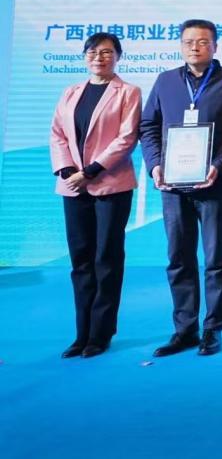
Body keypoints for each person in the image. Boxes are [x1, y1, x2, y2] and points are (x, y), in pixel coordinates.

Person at [139, 19, 222, 358]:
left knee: (215, 259)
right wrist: (155, 164)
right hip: (172, 186)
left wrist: (218, 164)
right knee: (178, 258)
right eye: (188, 42)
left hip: (215, 184)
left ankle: (213, 329)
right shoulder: (166, 81)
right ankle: (184, 329)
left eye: (202, 41)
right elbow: (149, 125)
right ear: (180, 45)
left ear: (215, 46)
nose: (195, 47)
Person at [50, 32, 142, 358]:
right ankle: (81, 333)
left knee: (106, 258)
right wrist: (67, 171)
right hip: (73, 186)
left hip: (110, 185)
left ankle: (100, 334)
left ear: (118, 56)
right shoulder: (71, 92)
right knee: (80, 259)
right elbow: (58, 134)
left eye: (106, 52)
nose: (99, 57)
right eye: (92, 52)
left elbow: (126, 138)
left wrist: (90, 171)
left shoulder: (128, 92)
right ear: (84, 56)